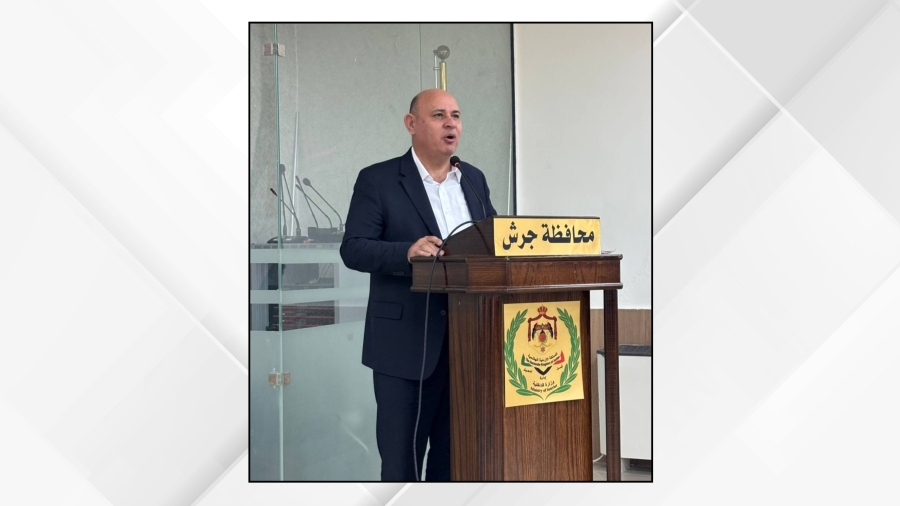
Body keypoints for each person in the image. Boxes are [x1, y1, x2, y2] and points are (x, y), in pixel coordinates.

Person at [340, 89, 497, 481]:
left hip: (467, 345)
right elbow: (354, 249)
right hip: (405, 345)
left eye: (456, 115)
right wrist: (406, 252)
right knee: (401, 466)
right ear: (411, 124)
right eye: (439, 115)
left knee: (455, 461)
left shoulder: (473, 179)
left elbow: (495, 243)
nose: (451, 123)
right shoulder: (378, 179)